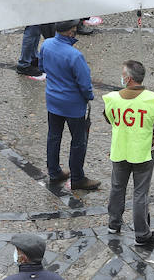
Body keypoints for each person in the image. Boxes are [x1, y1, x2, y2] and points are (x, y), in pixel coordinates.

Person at [103, 59, 154, 246]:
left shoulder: (112, 98)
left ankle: (113, 223)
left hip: (120, 150)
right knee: (141, 194)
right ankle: (142, 233)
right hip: (142, 152)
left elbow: (109, 119)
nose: (122, 77)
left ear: (129, 79)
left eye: (123, 74)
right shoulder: (153, 99)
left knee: (117, 188)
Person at [40, 20, 100, 190]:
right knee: (78, 141)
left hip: (53, 100)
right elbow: (84, 84)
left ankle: (54, 172)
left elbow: (41, 66)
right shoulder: (75, 55)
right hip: (73, 106)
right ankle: (78, 178)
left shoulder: (47, 44)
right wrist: (89, 96)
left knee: (54, 137)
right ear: (71, 32)